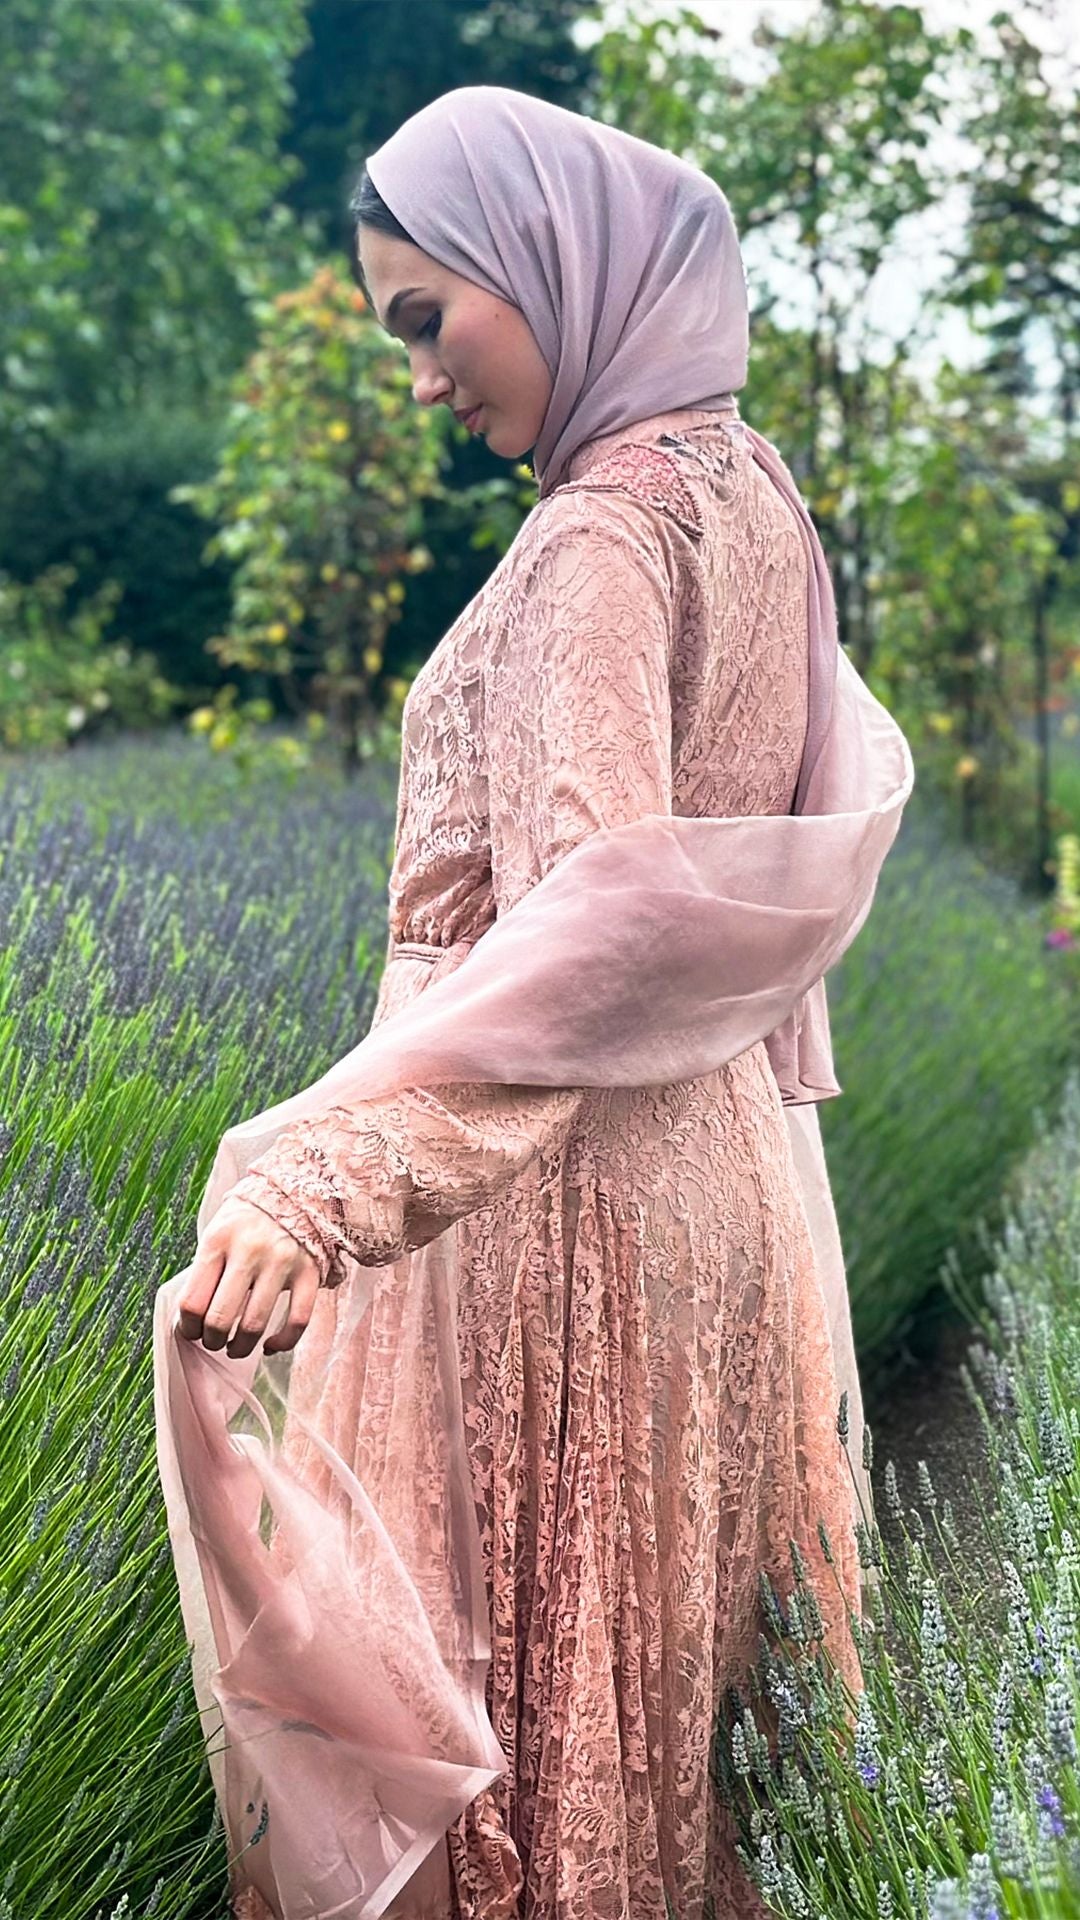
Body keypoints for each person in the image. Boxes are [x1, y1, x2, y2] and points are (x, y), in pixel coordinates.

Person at [153, 85, 913, 1920]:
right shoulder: (758, 501)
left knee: (540, 1715)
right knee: (666, 1714)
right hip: (717, 1185)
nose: (423, 379)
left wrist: (320, 1185)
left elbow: (599, 946)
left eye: (431, 317)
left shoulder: (598, 542)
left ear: (550, 260)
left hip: (555, 1211)